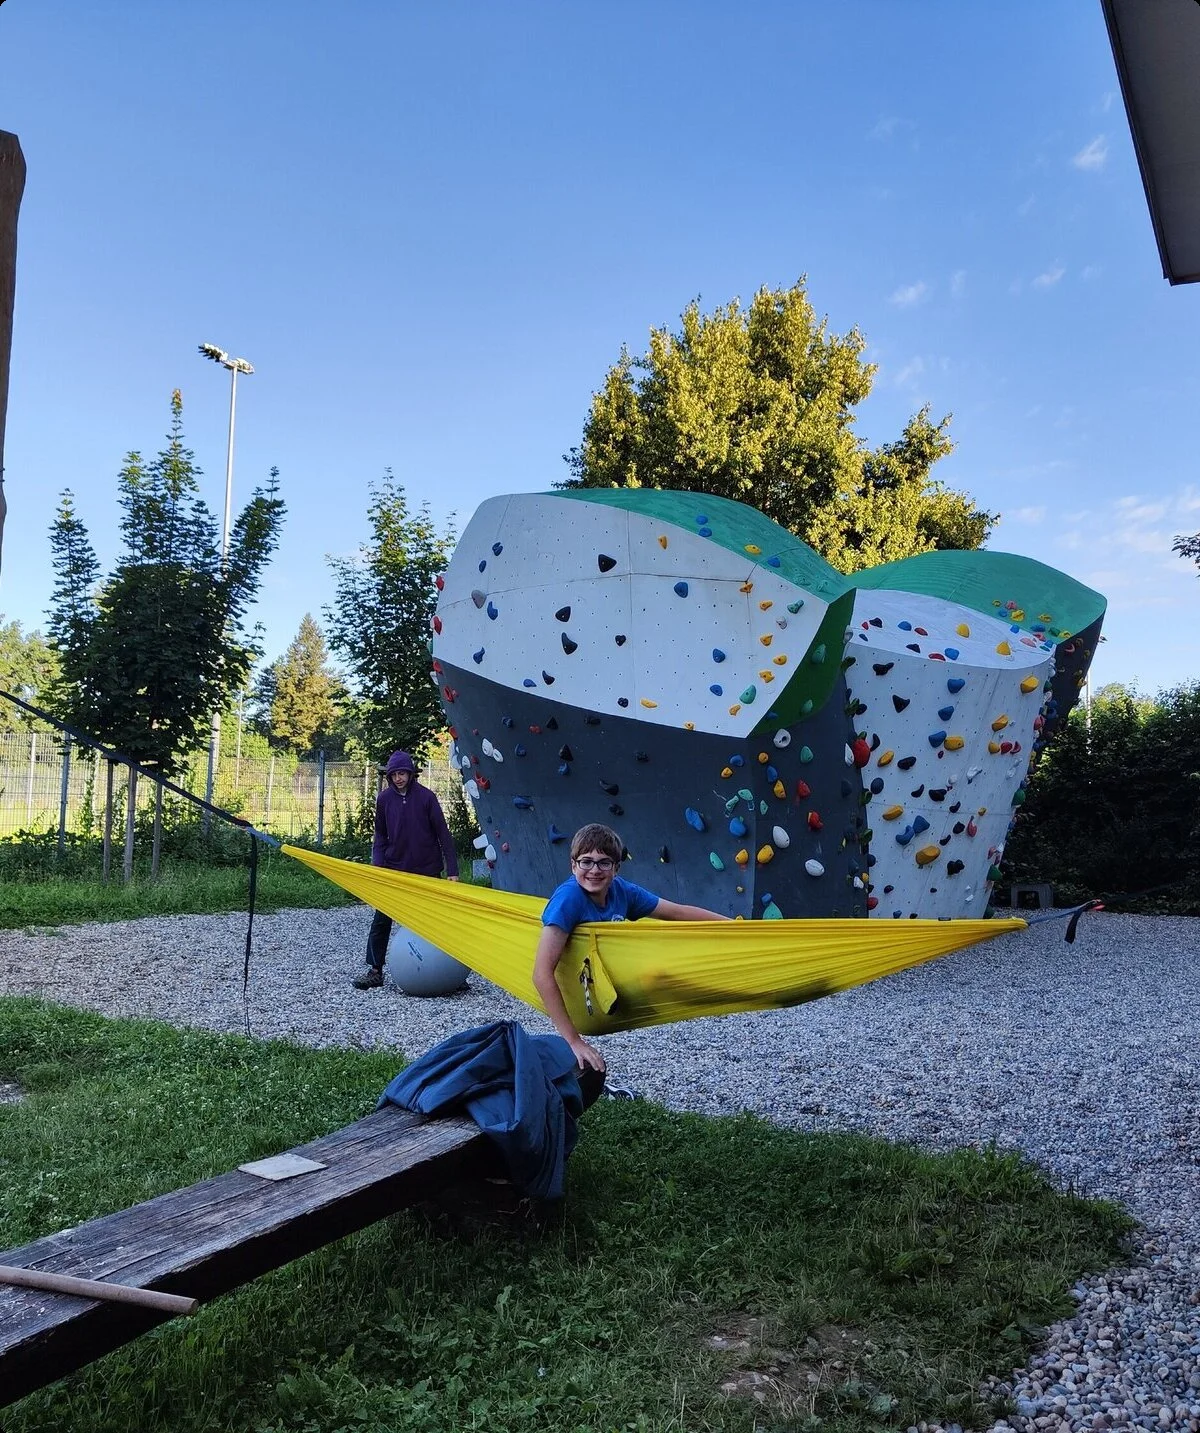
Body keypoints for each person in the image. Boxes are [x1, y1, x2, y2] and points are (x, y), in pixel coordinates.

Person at [532, 823, 730, 1073]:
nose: (594, 870)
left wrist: (734, 928)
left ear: (616, 868)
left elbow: (677, 912)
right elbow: (541, 974)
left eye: (604, 862)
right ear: (573, 866)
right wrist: (573, 1041)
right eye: (586, 861)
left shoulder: (622, 891)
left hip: (612, 985)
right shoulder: (567, 900)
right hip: (578, 990)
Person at [352, 750, 459, 989]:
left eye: (403, 773)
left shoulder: (426, 798)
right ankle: (375, 969)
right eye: (394, 774)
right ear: (389, 776)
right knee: (382, 921)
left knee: (435, 921)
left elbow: (443, 834)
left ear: (411, 774)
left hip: (426, 870)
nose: (399, 778)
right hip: (394, 870)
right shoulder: (384, 799)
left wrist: (452, 869)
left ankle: (448, 971)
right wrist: (378, 867)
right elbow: (380, 835)